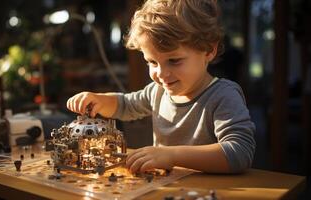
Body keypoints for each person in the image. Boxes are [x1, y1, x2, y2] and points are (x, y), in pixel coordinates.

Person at [67, 0, 256, 174]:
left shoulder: (223, 95)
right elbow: (125, 105)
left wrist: (171, 155)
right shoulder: (157, 91)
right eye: (152, 62)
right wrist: (100, 100)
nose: (161, 73)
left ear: (209, 50)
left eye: (174, 60)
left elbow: (239, 153)